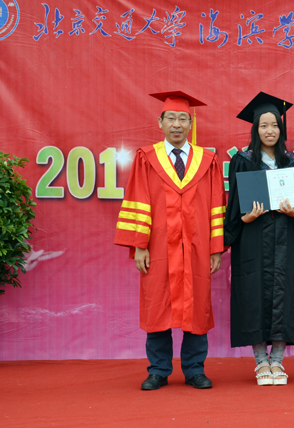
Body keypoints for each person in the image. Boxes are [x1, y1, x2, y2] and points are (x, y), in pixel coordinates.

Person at [114, 91, 226, 390]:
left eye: (183, 119)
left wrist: (216, 249)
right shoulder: (146, 158)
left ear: (191, 124)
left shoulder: (208, 160)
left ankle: (195, 370)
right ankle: (158, 370)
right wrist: (139, 245)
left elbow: (217, 205)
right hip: (158, 247)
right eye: (171, 118)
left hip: (197, 247)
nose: (177, 124)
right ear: (160, 122)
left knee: (197, 308)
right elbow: (138, 199)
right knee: (157, 307)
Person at [224, 92, 294, 386]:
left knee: (285, 295)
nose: (269, 131)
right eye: (263, 125)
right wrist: (245, 219)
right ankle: (260, 362)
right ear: (255, 129)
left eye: (275, 125)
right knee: (252, 296)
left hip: (284, 242)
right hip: (252, 241)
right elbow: (233, 206)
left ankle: (277, 361)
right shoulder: (242, 161)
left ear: (282, 129)